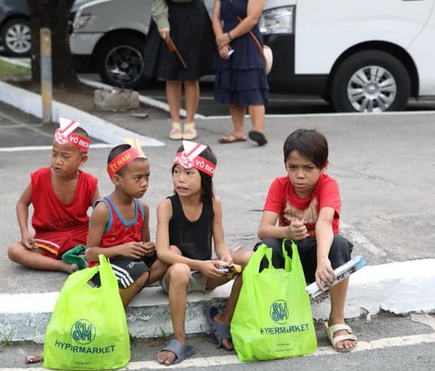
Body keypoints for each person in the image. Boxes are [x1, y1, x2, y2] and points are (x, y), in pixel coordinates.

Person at [211, 128, 358, 352]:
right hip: (288, 261)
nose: (300, 175)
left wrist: (322, 260)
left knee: (339, 244)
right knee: (267, 247)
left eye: (308, 168)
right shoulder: (280, 185)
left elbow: (325, 223)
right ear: (285, 165)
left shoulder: (328, 185)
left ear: (323, 166)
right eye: (293, 167)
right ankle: (236, 315)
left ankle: (336, 319)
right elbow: (264, 229)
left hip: (319, 263)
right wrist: (287, 232)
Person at [154, 140, 241, 365]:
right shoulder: (167, 205)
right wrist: (199, 264)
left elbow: (220, 243)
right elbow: (162, 252)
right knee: (181, 267)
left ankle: (224, 318)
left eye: (189, 173)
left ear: (205, 178)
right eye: (176, 172)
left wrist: (225, 257)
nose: (180, 179)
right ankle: (179, 339)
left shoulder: (214, 203)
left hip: (205, 274)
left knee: (249, 258)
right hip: (175, 277)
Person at [7, 119, 100, 274]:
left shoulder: (89, 182)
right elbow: (22, 204)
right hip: (49, 238)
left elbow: (100, 210)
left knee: (114, 243)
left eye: (65, 156)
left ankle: (78, 254)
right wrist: (25, 232)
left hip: (82, 235)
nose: (57, 161)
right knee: (14, 251)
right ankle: (64, 266)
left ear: (82, 160)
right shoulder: (39, 177)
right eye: (54, 154)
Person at [84, 141, 168, 307]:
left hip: (131, 264)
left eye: (147, 176)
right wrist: (119, 250)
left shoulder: (142, 208)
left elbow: (144, 245)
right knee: (140, 273)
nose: (144, 183)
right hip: (105, 267)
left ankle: (132, 284)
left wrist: (148, 248)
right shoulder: (103, 210)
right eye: (137, 178)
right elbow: (89, 254)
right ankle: (112, 312)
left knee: (168, 256)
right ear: (117, 179)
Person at [143, 0, 215, 141]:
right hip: (169, 15)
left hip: (194, 15)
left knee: (191, 75)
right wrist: (162, 21)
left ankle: (190, 123)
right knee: (171, 75)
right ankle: (175, 123)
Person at [212, 0, 269, 146]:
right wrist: (221, 40)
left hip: (247, 40)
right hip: (227, 41)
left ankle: (258, 130)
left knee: (252, 85)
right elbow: (216, 18)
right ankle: (238, 131)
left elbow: (252, 19)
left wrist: (229, 36)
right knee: (233, 85)